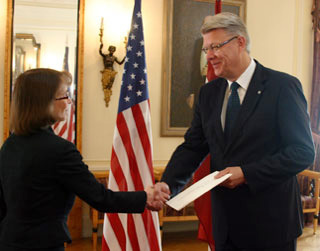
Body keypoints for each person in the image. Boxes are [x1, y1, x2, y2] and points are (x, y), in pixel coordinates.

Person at [161, 12, 315, 251]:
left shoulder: (282, 87)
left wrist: (247, 173)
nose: (209, 56)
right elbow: (193, 146)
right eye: (206, 49)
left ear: (240, 42)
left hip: (271, 226)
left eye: (215, 47)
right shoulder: (208, 94)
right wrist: (168, 184)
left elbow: (302, 152)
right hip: (225, 226)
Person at [0, 68, 170, 251]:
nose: (69, 102)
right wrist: (145, 197)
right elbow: (100, 198)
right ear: (44, 102)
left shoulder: (10, 145)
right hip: (42, 245)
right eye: (64, 96)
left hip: (9, 241)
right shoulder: (59, 151)